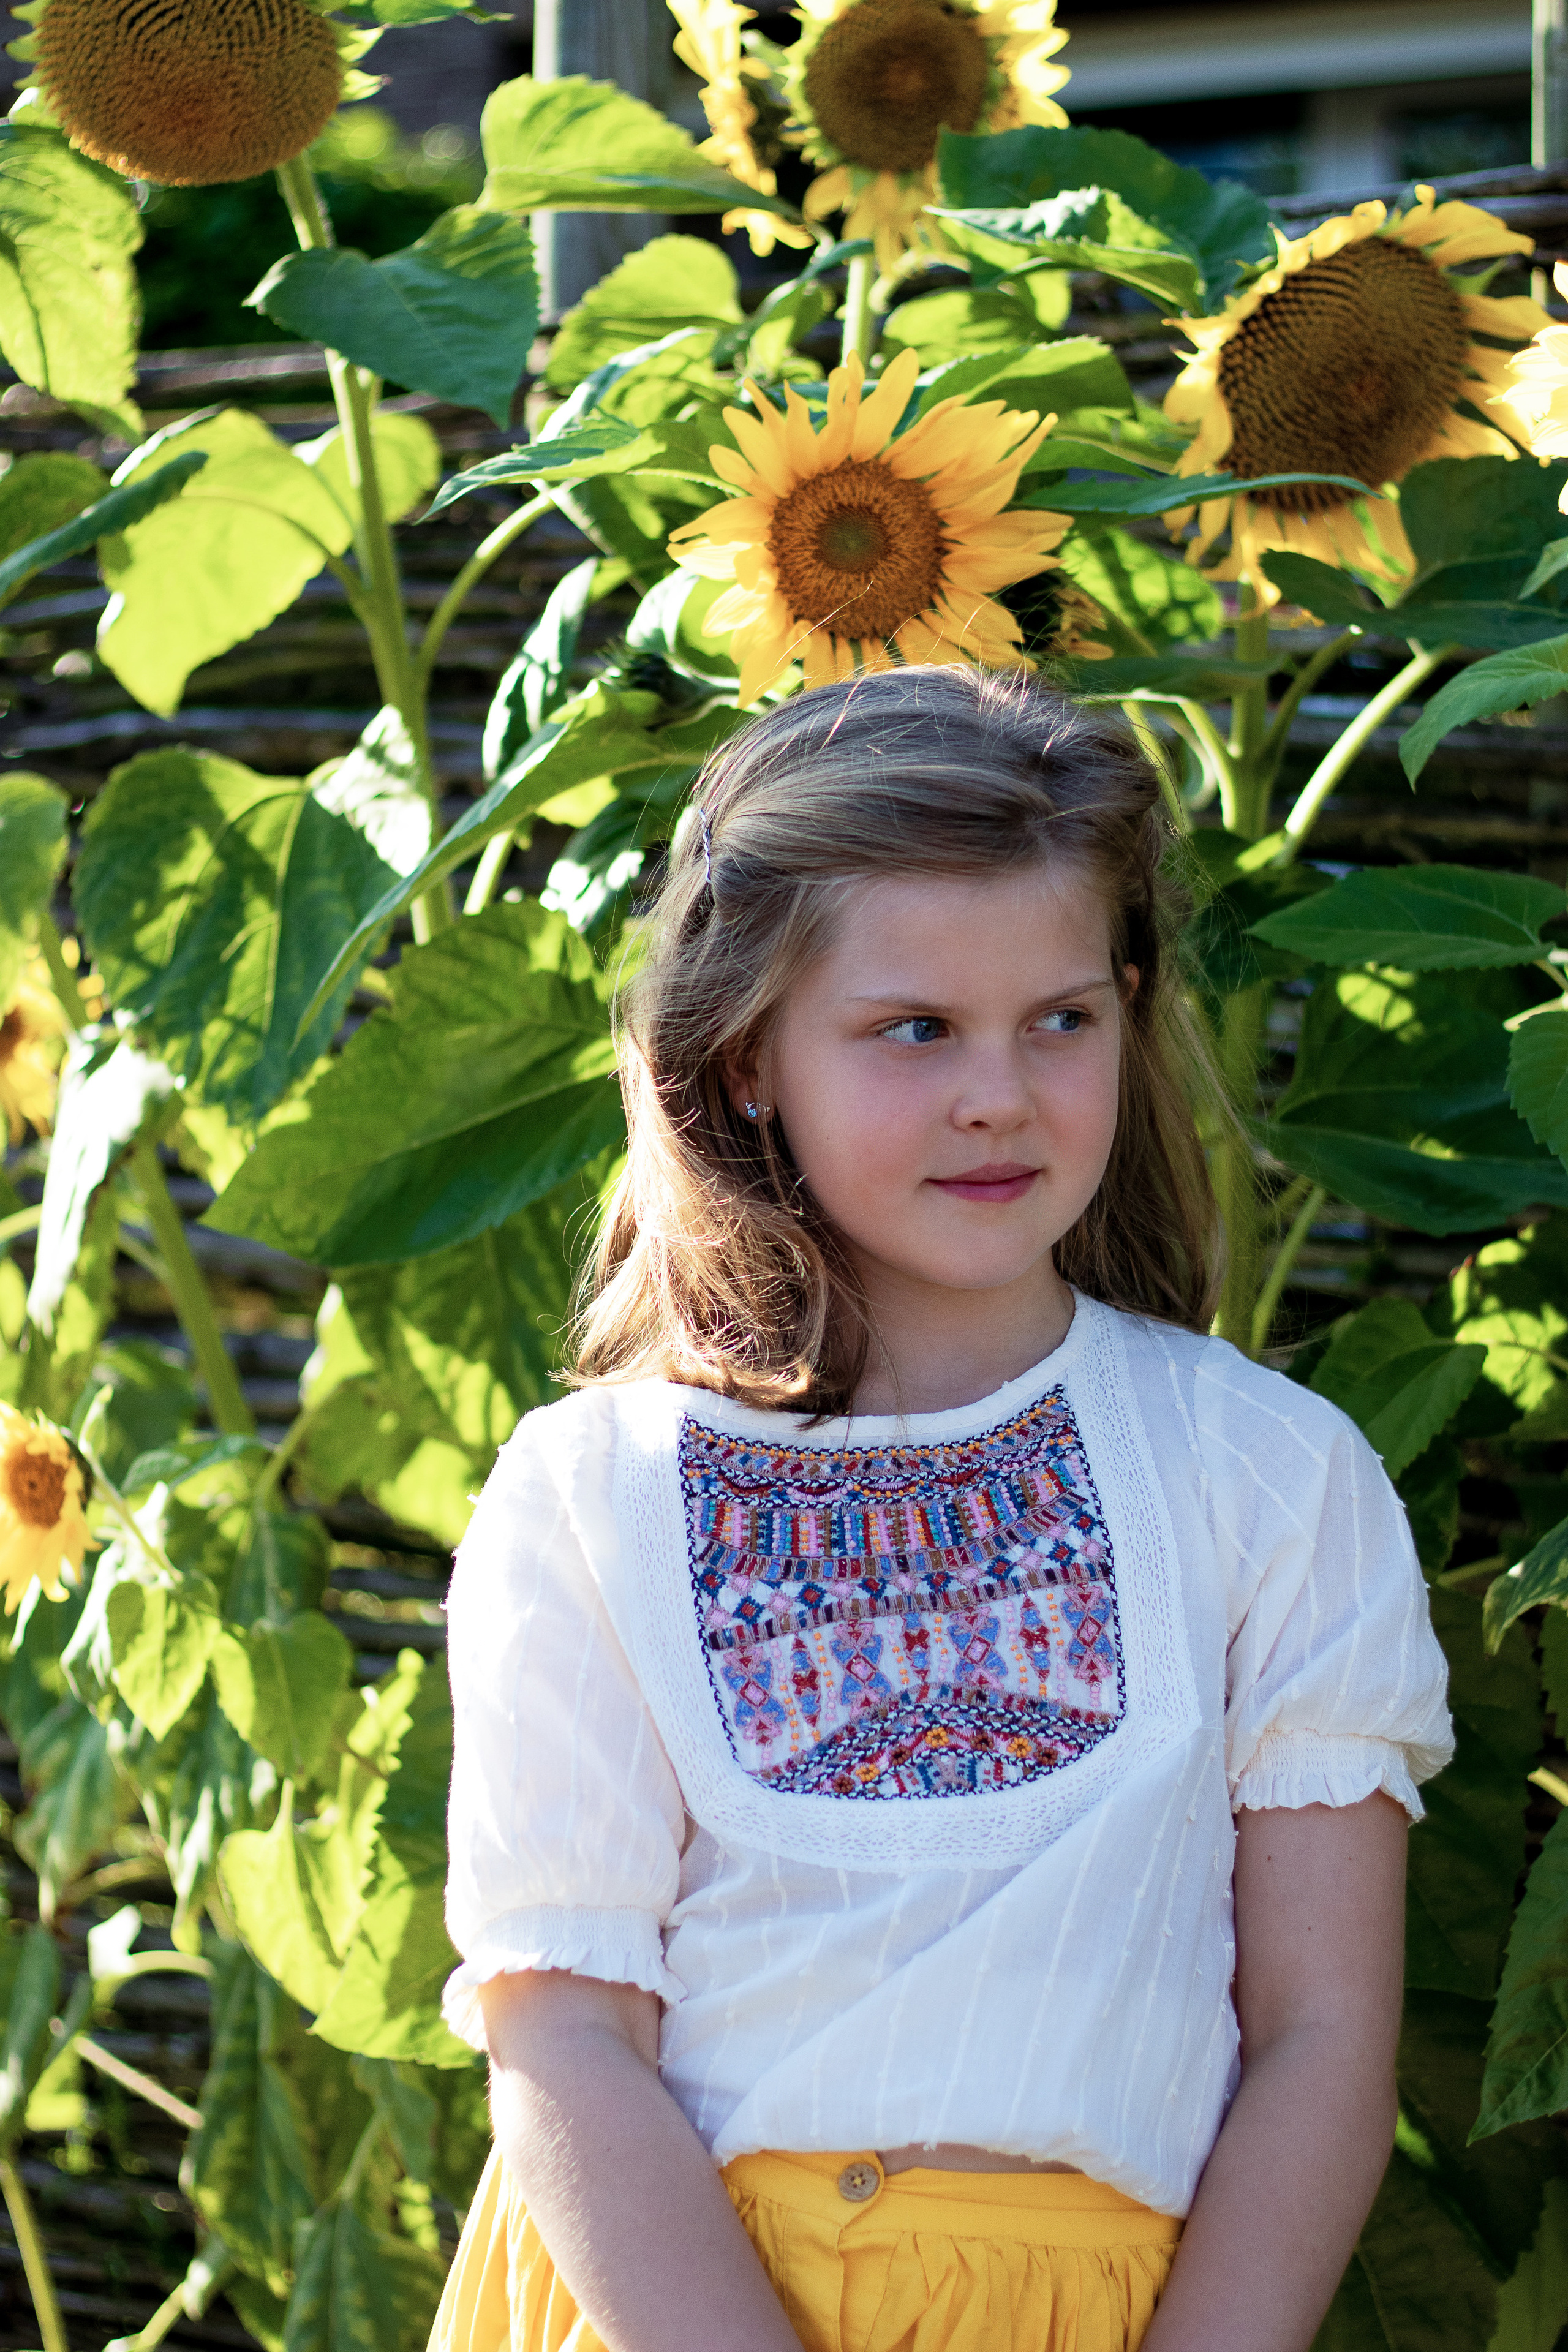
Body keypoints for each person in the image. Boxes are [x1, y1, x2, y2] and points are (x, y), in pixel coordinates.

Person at [429, 666, 1452, 2352]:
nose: (1002, 1091)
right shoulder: (589, 1498)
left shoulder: (1269, 1476)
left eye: (1062, 1017)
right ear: (749, 1057)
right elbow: (565, 2041)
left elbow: (1323, 2042)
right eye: (916, 1029)